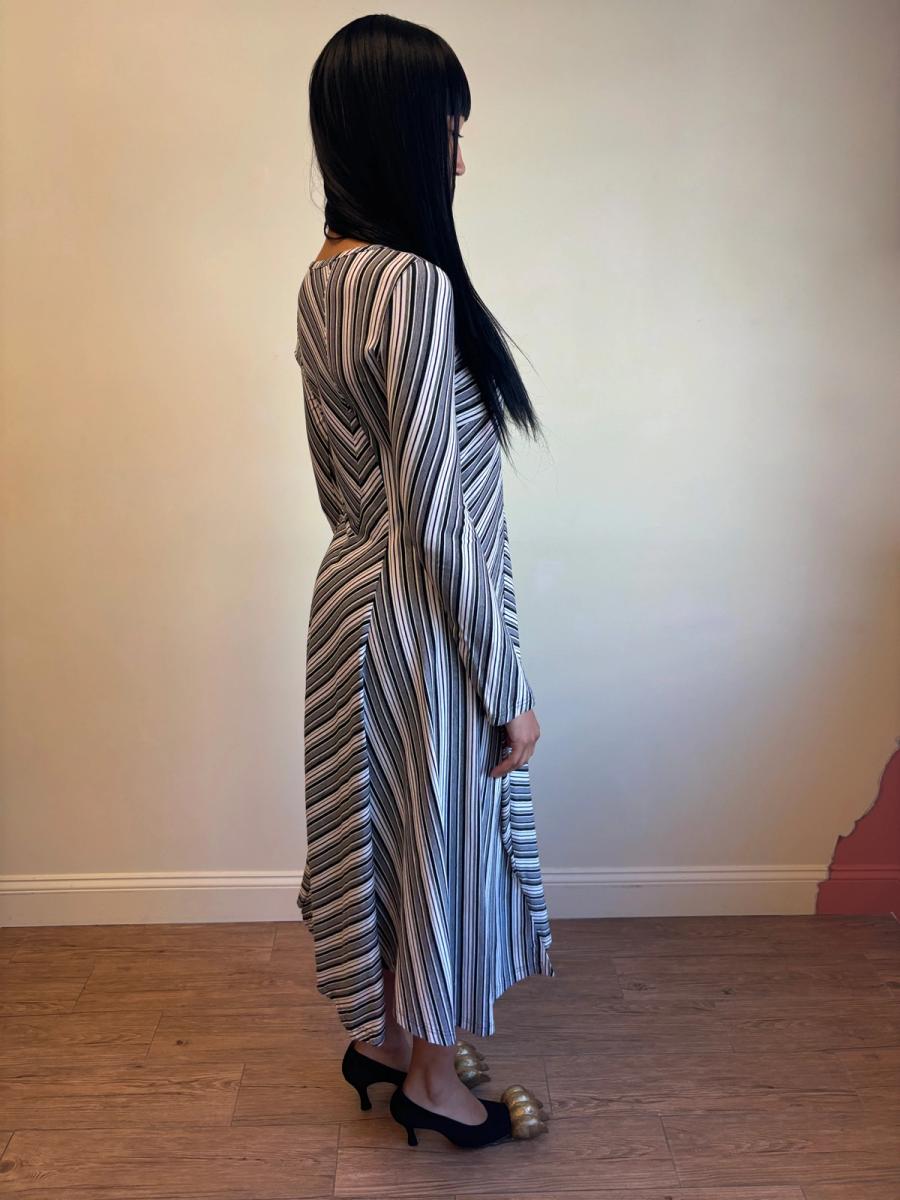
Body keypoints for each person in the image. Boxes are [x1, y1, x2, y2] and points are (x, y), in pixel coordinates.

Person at [295, 13, 556, 1148]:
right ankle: (434, 1087)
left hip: (351, 600)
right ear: (400, 132)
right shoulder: (410, 284)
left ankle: (391, 1036)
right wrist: (507, 689)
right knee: (442, 841)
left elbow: (349, 477)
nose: (460, 154)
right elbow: (440, 520)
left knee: (385, 830)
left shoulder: (327, 275)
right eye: (448, 125)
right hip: (417, 615)